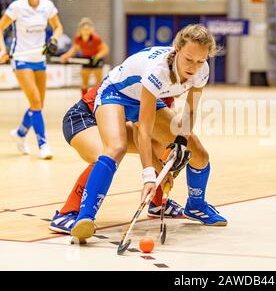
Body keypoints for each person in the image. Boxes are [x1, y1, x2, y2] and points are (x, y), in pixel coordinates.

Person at [69, 24, 228, 243]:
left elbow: (190, 110)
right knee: (116, 147)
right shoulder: (159, 71)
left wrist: (181, 142)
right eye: (189, 59)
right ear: (177, 49)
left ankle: (196, 206)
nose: (194, 67)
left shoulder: (202, 71)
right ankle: (85, 218)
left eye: (200, 61)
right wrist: (149, 177)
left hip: (146, 97)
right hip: (115, 93)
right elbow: (142, 129)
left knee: (198, 152)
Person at [48, 83, 182, 234]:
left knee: (162, 142)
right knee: (107, 154)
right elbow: (140, 135)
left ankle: (158, 204)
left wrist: (163, 172)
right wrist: (154, 172)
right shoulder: (150, 82)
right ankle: (67, 213)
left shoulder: (167, 93)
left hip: (111, 122)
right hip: (83, 117)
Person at [0, 0, 63, 159]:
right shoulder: (16, 7)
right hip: (21, 58)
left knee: (38, 104)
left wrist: (54, 39)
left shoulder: (47, 6)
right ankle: (43, 144)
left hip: (39, 59)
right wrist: (3, 49)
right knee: (35, 101)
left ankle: (19, 134)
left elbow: (58, 27)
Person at [60, 18, 109, 96]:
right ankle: (84, 100)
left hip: (96, 59)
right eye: (84, 29)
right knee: (84, 82)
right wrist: (65, 56)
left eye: (88, 29)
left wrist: (97, 57)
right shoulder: (78, 38)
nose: (86, 31)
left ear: (91, 30)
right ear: (80, 30)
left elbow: (105, 49)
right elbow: (74, 50)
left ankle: (99, 98)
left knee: (99, 82)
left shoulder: (96, 38)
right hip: (85, 59)